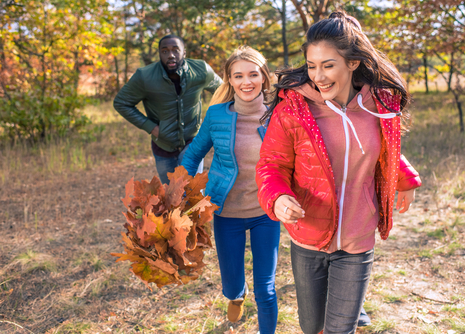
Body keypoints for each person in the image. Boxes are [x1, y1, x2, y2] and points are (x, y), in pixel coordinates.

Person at [256, 11, 422, 334]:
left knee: (339, 330)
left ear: (352, 63)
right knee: (311, 326)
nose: (318, 76)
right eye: (312, 66)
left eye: (328, 65)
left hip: (358, 238)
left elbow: (384, 148)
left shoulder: (379, 104)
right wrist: (277, 198)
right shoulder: (295, 108)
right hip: (309, 236)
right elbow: (271, 165)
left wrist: (405, 178)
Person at [182, 46, 279, 334]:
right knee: (232, 283)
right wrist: (182, 190)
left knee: (266, 287)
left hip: (266, 212)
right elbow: (192, 155)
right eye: (238, 76)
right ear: (229, 80)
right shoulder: (216, 116)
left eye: (253, 74)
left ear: (264, 77)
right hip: (227, 211)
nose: (246, 82)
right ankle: (237, 295)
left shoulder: (278, 115)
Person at [113, 35, 223, 184]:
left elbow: (223, 92)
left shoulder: (200, 70)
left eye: (175, 50)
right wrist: (152, 128)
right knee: (170, 195)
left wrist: (211, 124)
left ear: (184, 52)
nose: (170, 55)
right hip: (162, 144)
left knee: (191, 191)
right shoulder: (145, 77)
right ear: (159, 54)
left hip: (192, 140)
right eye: (164, 51)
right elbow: (121, 102)